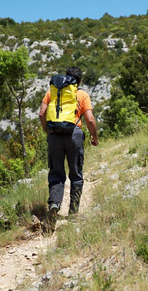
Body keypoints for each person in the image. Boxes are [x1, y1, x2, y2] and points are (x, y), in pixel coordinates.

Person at [39, 66, 98, 232]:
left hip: (54, 137)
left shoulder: (53, 92)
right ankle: (73, 214)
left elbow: (42, 113)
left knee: (56, 173)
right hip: (74, 135)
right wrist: (95, 136)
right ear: (79, 81)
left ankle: (55, 205)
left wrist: (48, 132)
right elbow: (90, 119)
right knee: (76, 174)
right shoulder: (82, 94)